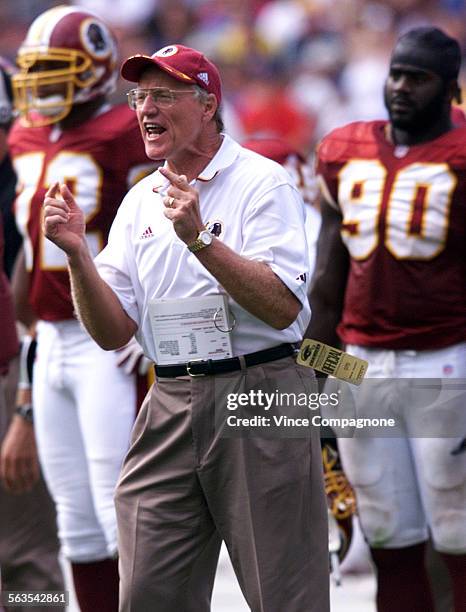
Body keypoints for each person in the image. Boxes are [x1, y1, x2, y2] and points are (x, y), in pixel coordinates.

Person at [42, 43, 330, 612]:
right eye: (140, 95)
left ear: (207, 105)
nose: (146, 108)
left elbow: (282, 308)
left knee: (285, 594)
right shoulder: (139, 199)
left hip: (260, 393)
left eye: (164, 95)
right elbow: (112, 332)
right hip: (170, 394)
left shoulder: (262, 183)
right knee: (149, 592)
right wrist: (77, 254)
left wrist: (201, 239)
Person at [306, 27, 466, 612]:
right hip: (358, 363)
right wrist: (312, 373)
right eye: (396, 73)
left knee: (456, 528)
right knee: (385, 533)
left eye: (417, 78)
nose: (400, 87)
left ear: (450, 89)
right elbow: (329, 278)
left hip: (446, 355)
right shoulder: (344, 149)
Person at [8, 6, 153, 611]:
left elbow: (158, 237)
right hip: (51, 341)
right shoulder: (24, 135)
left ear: (93, 71)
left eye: (58, 71)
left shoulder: (126, 131)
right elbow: (30, 249)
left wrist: (150, 329)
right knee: (76, 524)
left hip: (109, 339)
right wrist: (26, 334)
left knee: (116, 509)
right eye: (36, 72)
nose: (43, 86)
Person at [0, 57, 65, 612]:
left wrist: (24, 408)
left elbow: (33, 310)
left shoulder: (34, 182)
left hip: (18, 369)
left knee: (27, 562)